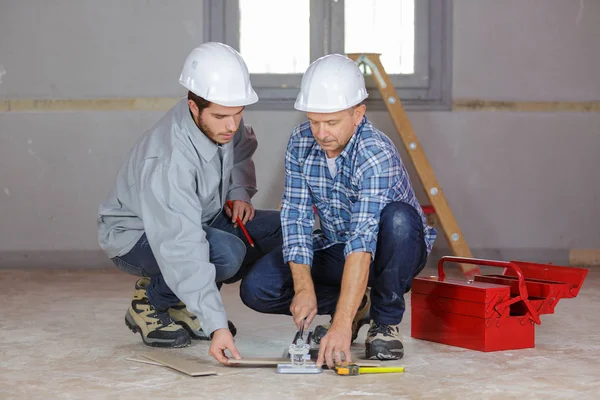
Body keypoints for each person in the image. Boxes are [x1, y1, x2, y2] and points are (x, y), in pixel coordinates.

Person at [240, 54, 436, 368]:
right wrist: (303, 288)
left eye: (331, 122)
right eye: (314, 120)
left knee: (398, 219)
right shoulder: (301, 142)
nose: (321, 133)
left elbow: (362, 241)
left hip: (391, 252)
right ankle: (359, 303)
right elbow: (296, 216)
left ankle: (384, 320)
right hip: (337, 246)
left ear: (358, 114)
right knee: (258, 287)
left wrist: (340, 325)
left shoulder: (375, 153)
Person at [97, 42, 282, 364]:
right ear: (193, 107)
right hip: (138, 236)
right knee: (226, 253)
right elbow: (182, 244)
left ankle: (185, 302)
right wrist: (216, 326)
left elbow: (240, 147)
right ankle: (150, 303)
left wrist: (238, 190)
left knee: (278, 230)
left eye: (238, 114)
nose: (231, 125)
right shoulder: (169, 161)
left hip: (201, 217)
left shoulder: (221, 121)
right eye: (222, 116)